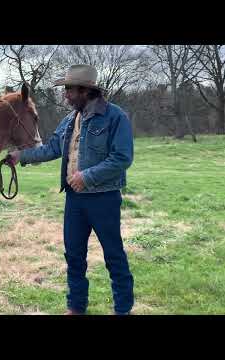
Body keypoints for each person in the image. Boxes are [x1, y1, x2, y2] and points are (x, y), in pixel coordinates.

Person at [9, 64, 134, 315]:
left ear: (85, 90)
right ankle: (76, 307)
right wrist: (20, 156)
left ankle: (123, 309)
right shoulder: (69, 120)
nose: (65, 94)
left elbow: (122, 157)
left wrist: (87, 177)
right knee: (74, 257)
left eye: (68, 89)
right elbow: (52, 148)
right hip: (74, 201)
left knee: (114, 256)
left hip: (103, 199)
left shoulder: (115, 117)